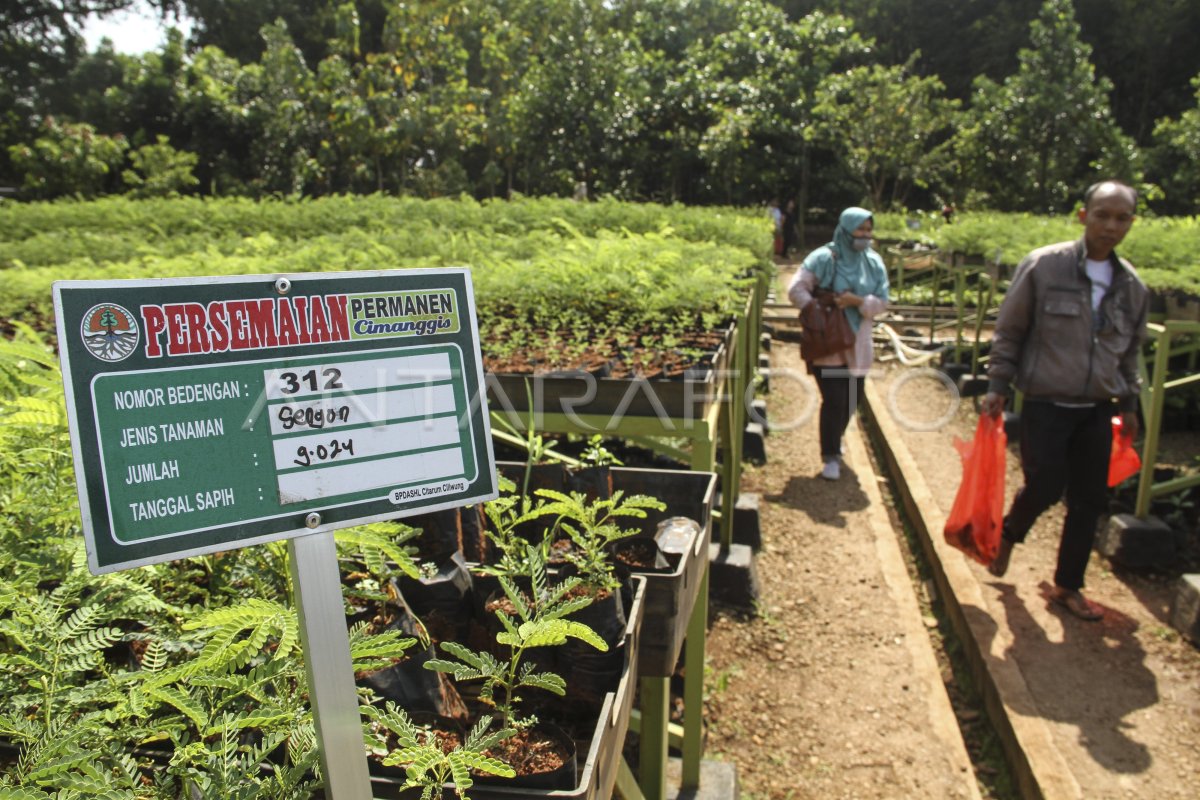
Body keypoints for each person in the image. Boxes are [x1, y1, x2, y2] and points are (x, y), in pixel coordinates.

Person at [981, 180, 1149, 621]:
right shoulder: (1043, 267)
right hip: (1046, 402)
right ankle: (1011, 534)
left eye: (1121, 218)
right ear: (1083, 215)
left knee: (1090, 498)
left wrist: (1129, 405)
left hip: (1097, 406)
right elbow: (1010, 330)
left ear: (1131, 222)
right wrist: (997, 385)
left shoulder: (1132, 287)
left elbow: (1130, 353)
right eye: (1103, 215)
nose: (1111, 226)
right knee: (1045, 484)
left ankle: (1068, 585)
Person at [787, 207, 889, 480]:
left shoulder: (874, 263)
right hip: (827, 346)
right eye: (861, 229)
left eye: (869, 230)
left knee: (851, 402)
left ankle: (836, 438)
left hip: (858, 345)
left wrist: (856, 302)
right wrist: (819, 311)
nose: (866, 235)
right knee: (834, 400)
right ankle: (830, 455)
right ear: (846, 229)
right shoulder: (823, 258)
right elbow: (796, 289)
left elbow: (882, 302)